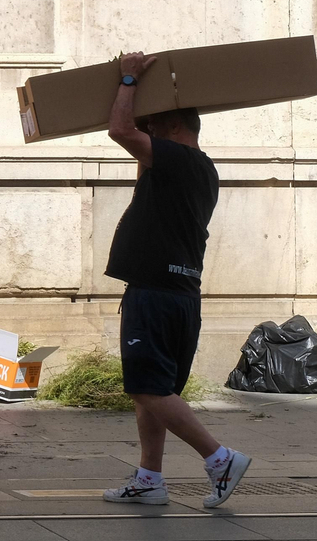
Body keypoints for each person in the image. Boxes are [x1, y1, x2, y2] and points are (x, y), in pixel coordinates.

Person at [102, 51, 250, 509]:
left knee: (146, 387)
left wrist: (128, 79)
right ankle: (150, 479)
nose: (146, 130)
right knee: (153, 391)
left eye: (155, 124)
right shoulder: (196, 170)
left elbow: (119, 131)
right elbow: (140, 159)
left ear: (172, 129)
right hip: (179, 294)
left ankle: (219, 457)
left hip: (157, 293)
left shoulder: (181, 161)